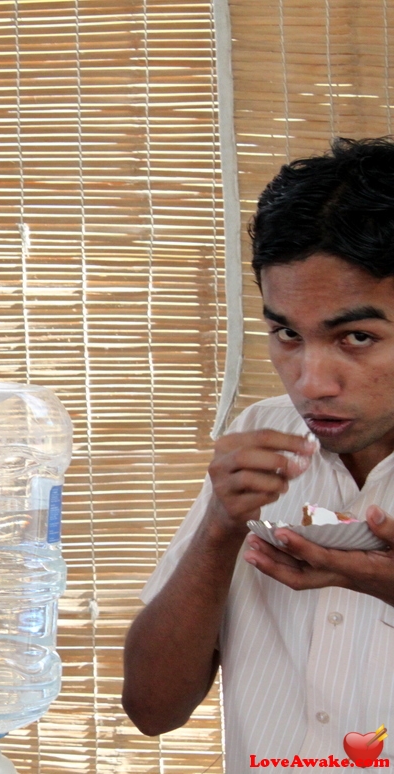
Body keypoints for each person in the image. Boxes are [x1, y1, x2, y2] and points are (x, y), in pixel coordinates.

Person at [122, 137, 394, 768]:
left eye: (356, 336)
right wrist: (220, 526)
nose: (310, 381)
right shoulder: (263, 435)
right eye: (286, 334)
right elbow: (151, 709)